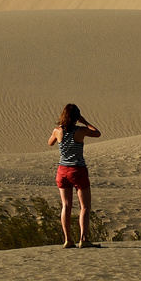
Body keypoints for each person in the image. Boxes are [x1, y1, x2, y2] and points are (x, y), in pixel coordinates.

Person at [48, 103, 102, 248]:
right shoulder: (81, 131)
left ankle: (67, 240)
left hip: (62, 171)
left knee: (66, 205)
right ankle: (83, 239)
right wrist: (85, 122)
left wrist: (58, 132)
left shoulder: (57, 131)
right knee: (85, 206)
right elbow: (97, 133)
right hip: (77, 170)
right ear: (76, 117)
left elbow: (50, 143)